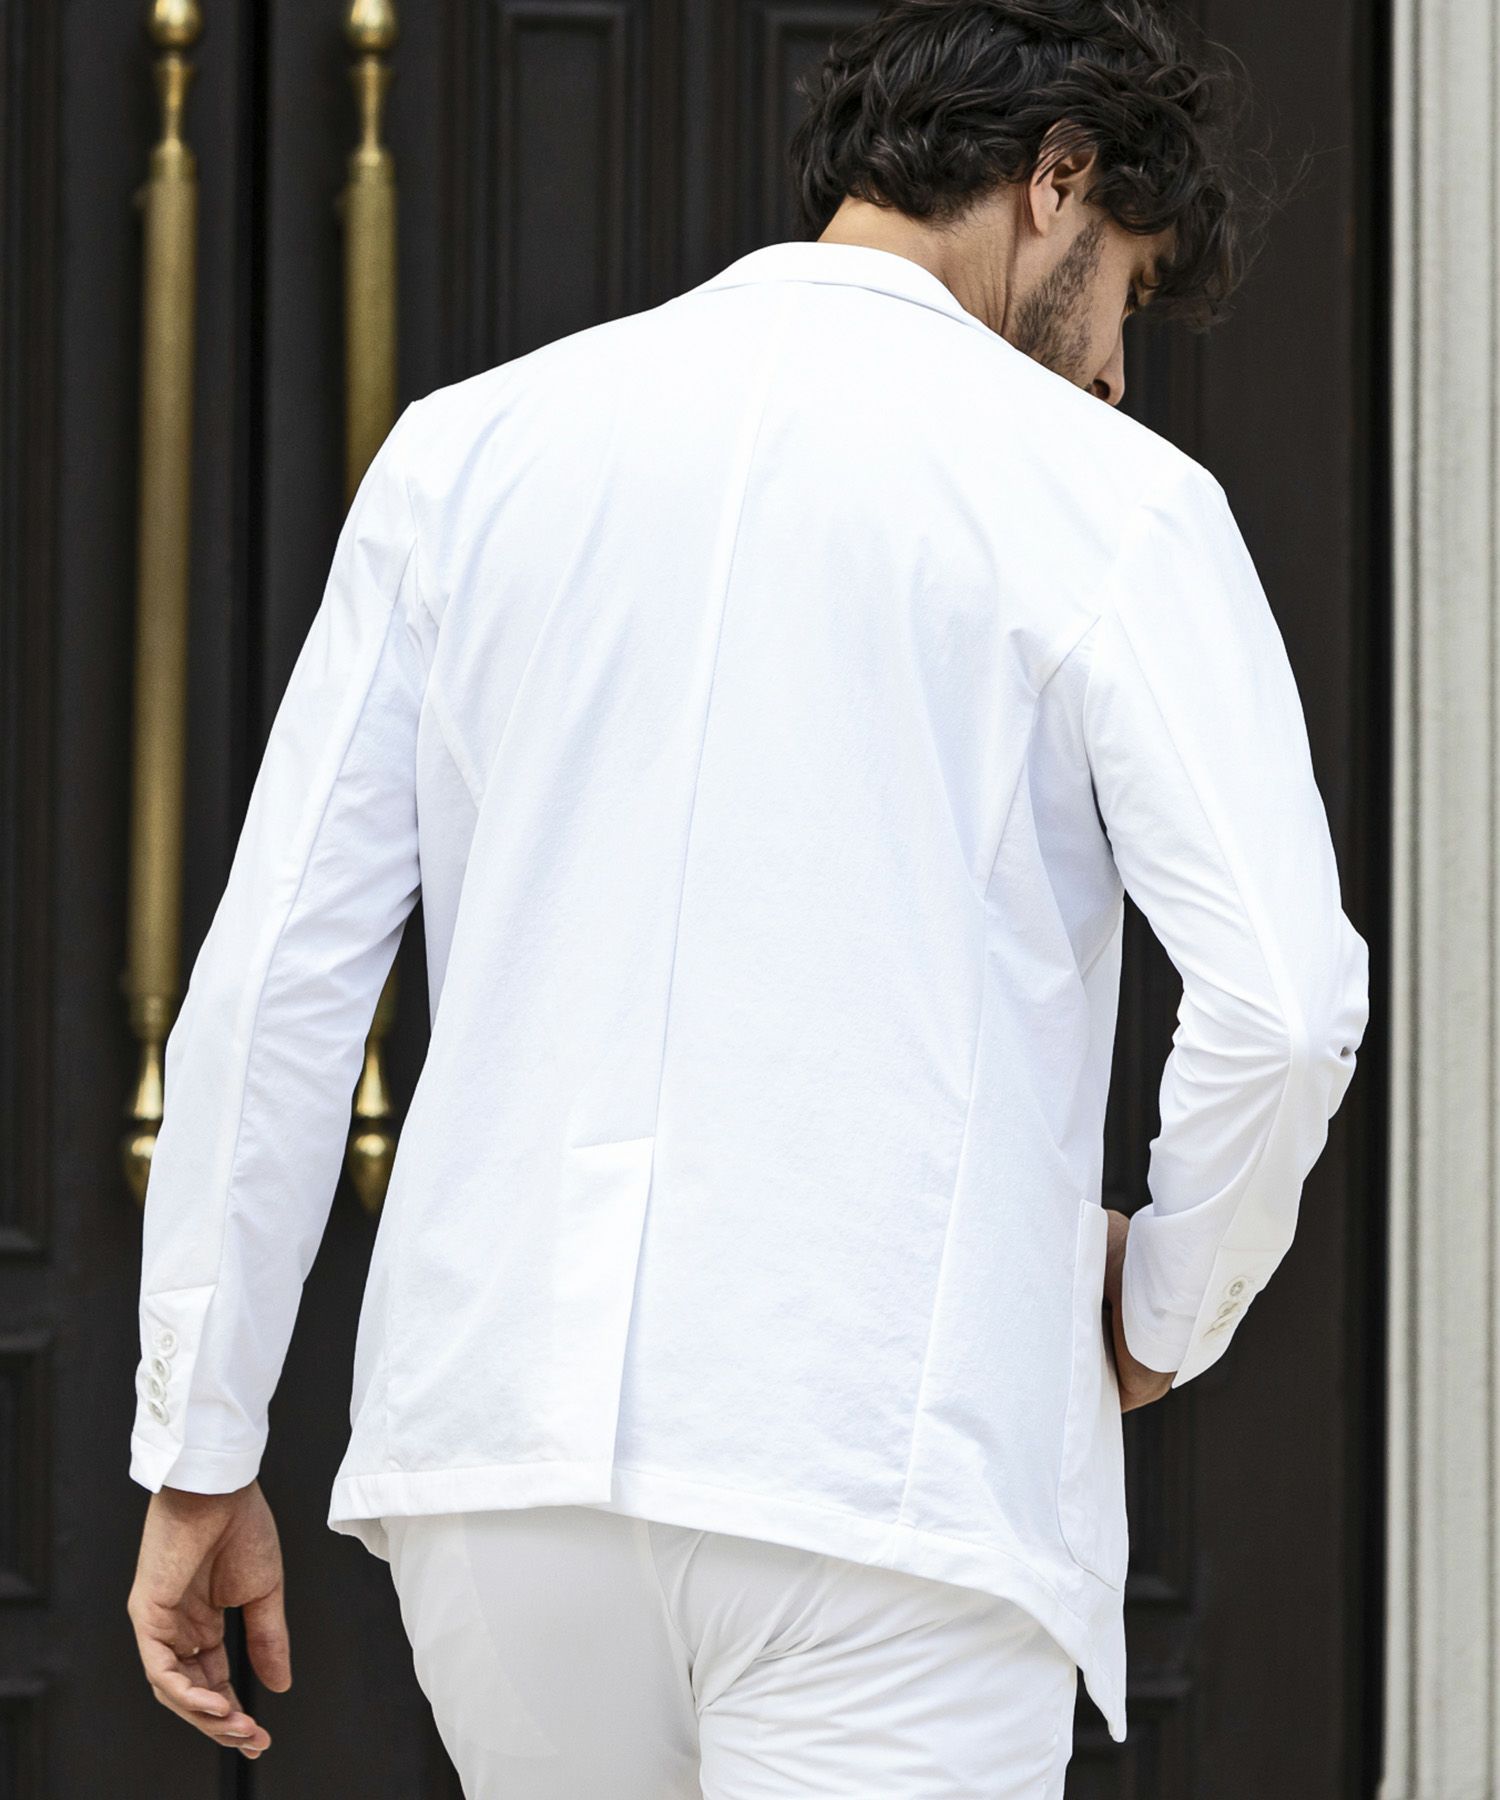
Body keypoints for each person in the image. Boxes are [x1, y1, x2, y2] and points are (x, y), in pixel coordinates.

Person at [125, 1, 1370, 1793]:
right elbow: (1284, 1003)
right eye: (1127, 291)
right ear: (1058, 181)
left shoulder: (469, 453)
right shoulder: (1112, 500)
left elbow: (276, 985)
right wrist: (1159, 1312)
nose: (1113, 367)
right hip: (881, 1477)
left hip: (502, 1474)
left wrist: (201, 1440)